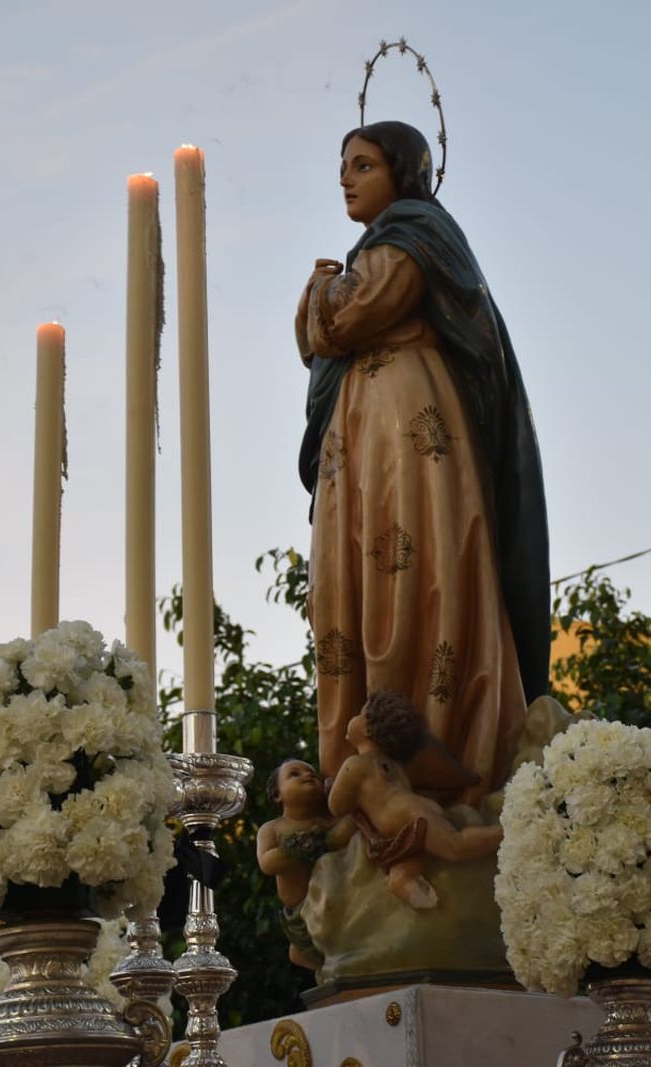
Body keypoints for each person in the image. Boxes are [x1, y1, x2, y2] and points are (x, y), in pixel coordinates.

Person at [296, 120, 550, 801]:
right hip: (360, 431)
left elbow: (342, 321)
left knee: (418, 565)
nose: (346, 178)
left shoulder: (412, 240)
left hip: (410, 423)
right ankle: (359, 760)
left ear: (403, 175)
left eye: (362, 165)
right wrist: (328, 296)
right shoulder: (376, 250)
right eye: (343, 165)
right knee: (350, 577)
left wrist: (321, 289)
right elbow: (322, 336)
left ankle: (439, 742)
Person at [327, 690, 503, 910]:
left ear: (368, 729)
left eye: (360, 714)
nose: (352, 717)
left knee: (455, 846)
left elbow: (336, 805)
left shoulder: (355, 765)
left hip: (410, 816)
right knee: (403, 870)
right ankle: (412, 889)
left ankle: (505, 832)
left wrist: (332, 786)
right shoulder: (395, 766)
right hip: (409, 821)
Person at [255, 758, 355, 968]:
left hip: (343, 906)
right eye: (294, 774)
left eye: (313, 774)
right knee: (300, 952)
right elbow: (267, 862)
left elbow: (352, 826)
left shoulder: (332, 820)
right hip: (302, 917)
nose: (307, 775)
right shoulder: (274, 829)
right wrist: (321, 842)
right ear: (277, 795)